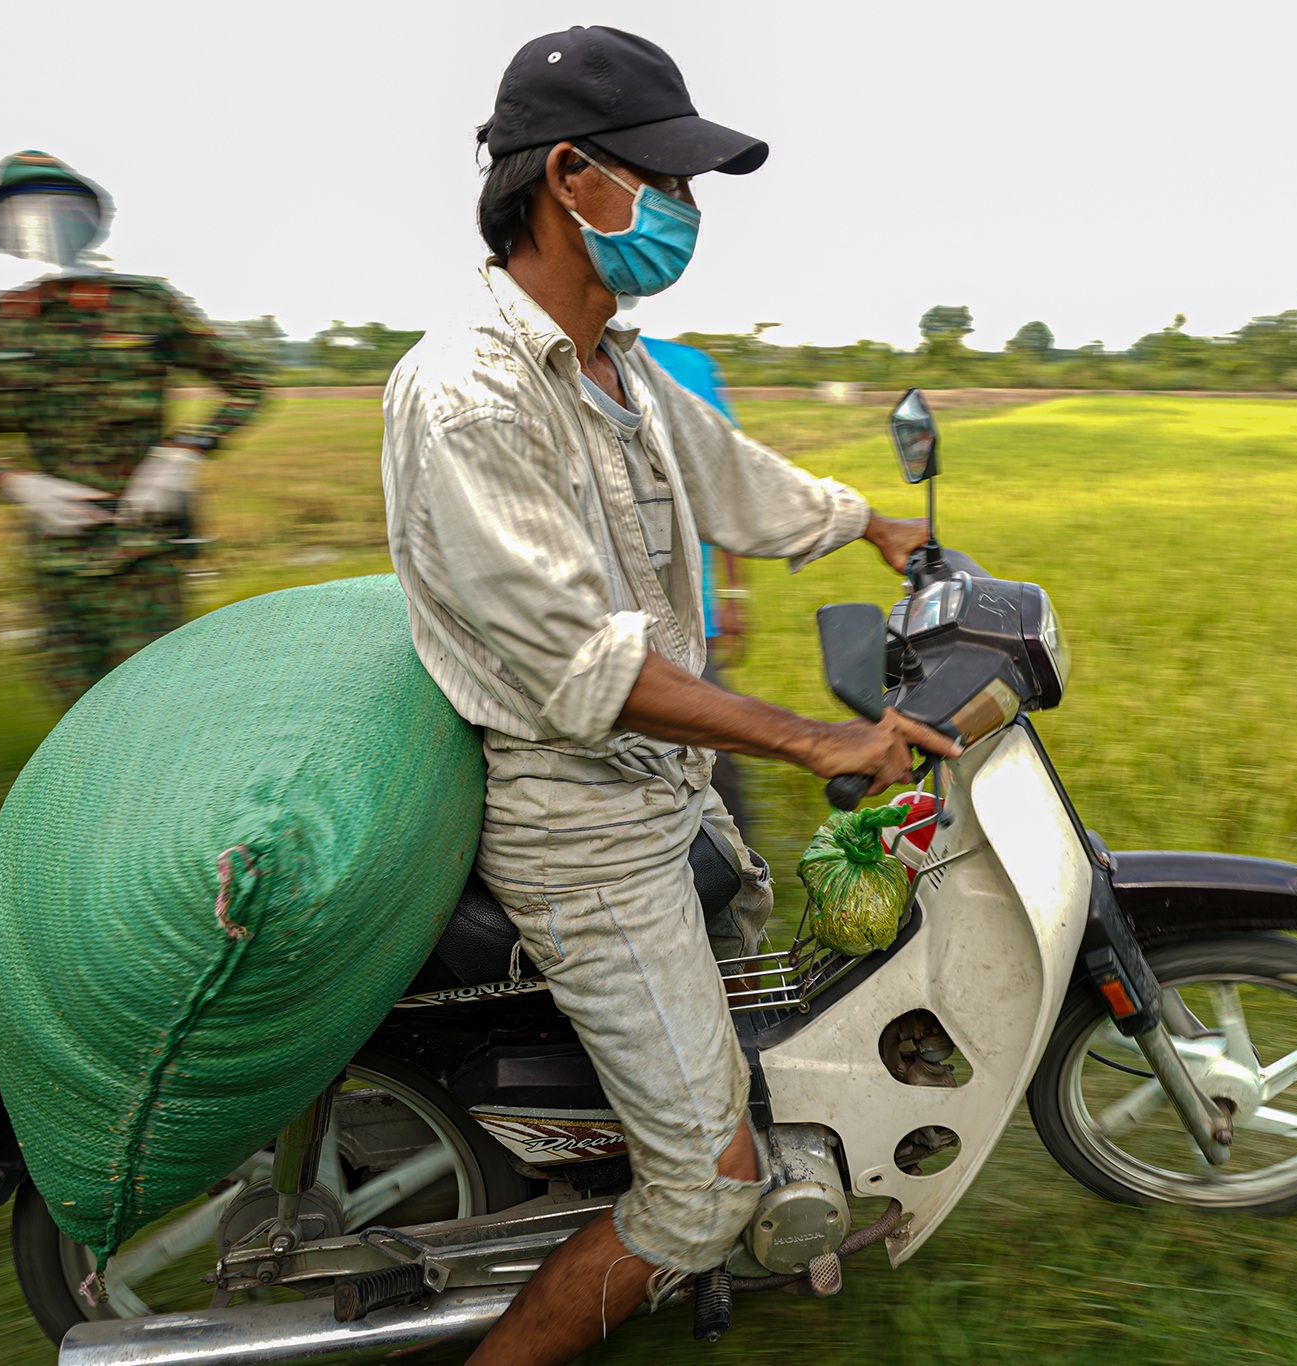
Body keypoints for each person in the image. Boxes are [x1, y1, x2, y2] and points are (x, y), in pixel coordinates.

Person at [380, 28, 959, 1364]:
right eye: (667, 180)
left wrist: (878, 523)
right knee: (705, 1193)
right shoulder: (467, 390)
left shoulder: (622, 371)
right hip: (584, 832)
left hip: (663, 798)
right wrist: (822, 738)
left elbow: (739, 478)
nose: (689, 212)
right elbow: (593, 668)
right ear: (568, 177)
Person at [0, 151, 265, 705]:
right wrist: (13, 482)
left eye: (61, 207)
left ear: (89, 221)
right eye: (23, 212)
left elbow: (246, 382)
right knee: (72, 703)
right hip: (54, 545)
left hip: (142, 540)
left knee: (154, 694)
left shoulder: (146, 305)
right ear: (2, 232)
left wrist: (182, 453)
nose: (44, 221)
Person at [638, 333, 752, 833]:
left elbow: (727, 484)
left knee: (713, 747)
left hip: (690, 612)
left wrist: (731, 594)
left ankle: (738, 868)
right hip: (608, 619)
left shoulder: (689, 366)